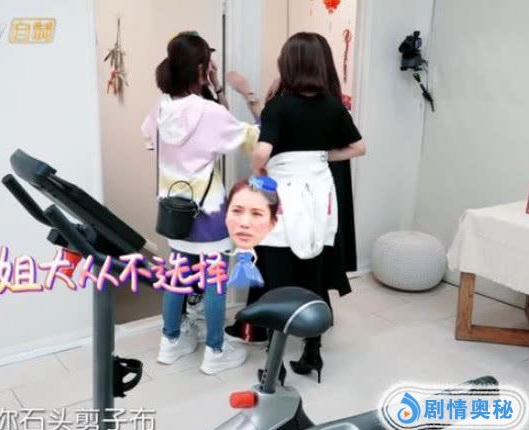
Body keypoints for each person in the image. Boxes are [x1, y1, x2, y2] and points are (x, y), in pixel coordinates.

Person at [233, 32, 367, 383]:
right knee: (313, 273)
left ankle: (275, 367)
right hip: (320, 198)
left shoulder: (280, 106)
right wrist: (322, 157)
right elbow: (359, 147)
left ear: (288, 64)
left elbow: (262, 153)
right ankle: (312, 352)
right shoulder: (333, 105)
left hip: (285, 199)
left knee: (277, 279)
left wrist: (261, 170)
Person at [141, 32, 259, 375]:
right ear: (201, 69)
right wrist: (230, 92)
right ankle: (215, 351)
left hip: (174, 212)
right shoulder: (209, 112)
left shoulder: (161, 108)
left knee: (177, 276)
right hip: (207, 213)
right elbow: (249, 138)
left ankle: (170, 342)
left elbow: (148, 139)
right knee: (214, 281)